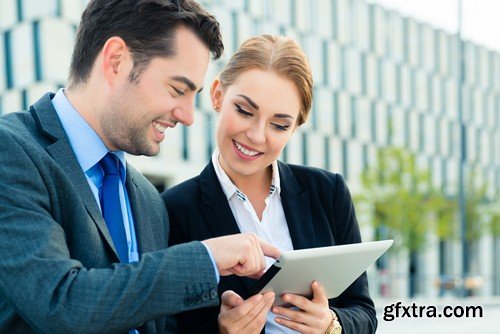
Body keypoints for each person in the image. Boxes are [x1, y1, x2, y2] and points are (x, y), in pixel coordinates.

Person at [0, 1, 281, 333]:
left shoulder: (148, 200)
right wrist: (205, 259)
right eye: (178, 89)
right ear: (116, 60)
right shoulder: (12, 152)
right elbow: (61, 304)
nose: (188, 116)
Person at [162, 34, 377, 333]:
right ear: (217, 96)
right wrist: (220, 331)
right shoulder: (173, 210)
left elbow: (363, 311)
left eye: (279, 125)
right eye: (245, 111)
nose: (257, 136)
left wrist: (332, 324)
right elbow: (165, 325)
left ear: (295, 127)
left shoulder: (328, 193)